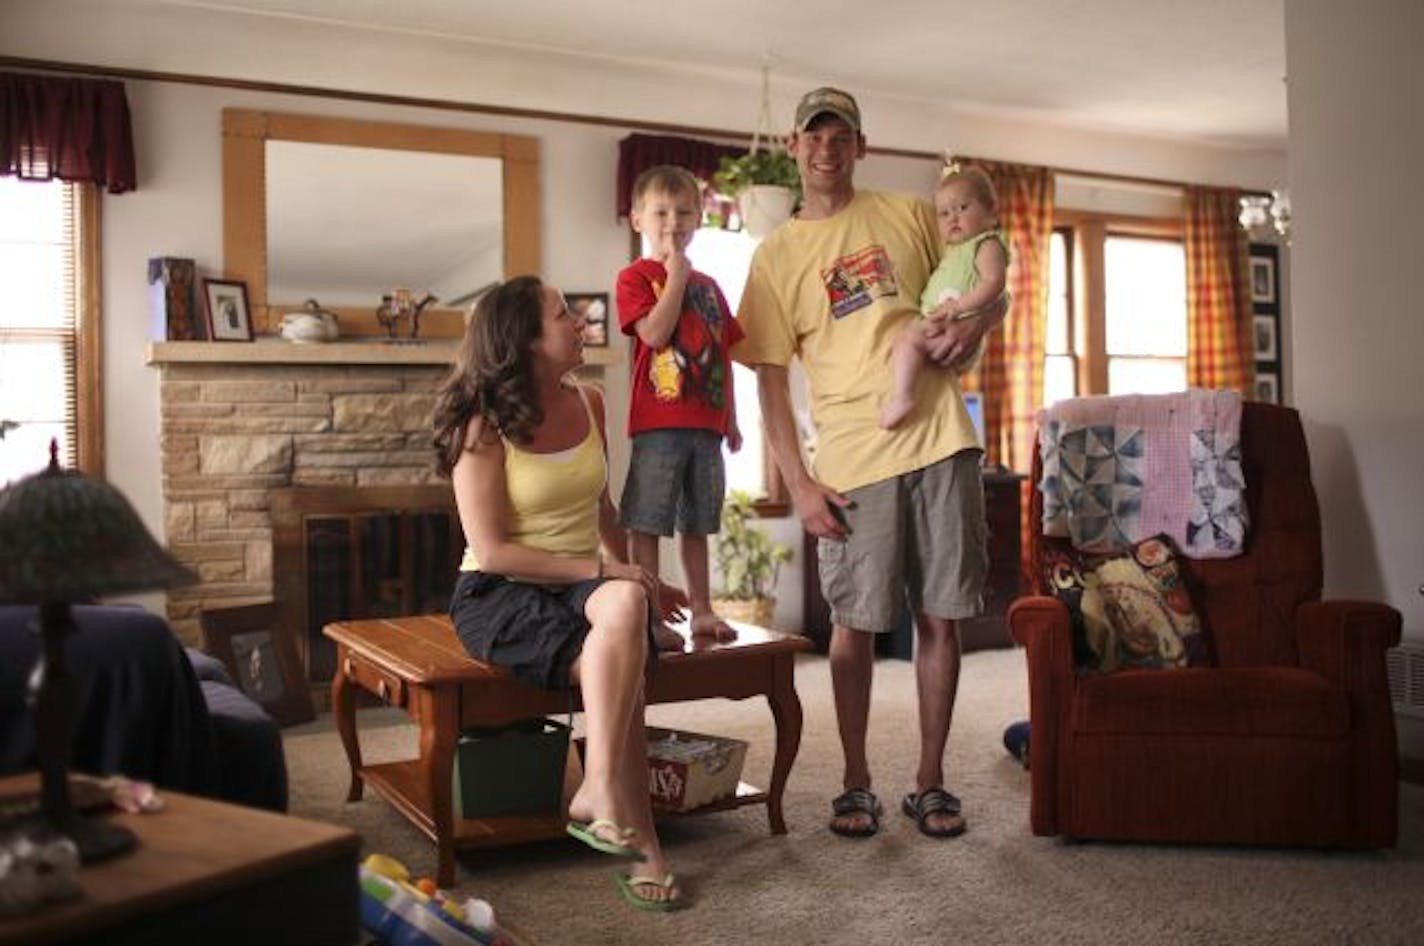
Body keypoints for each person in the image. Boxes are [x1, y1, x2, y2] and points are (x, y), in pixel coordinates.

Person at [734, 87, 1005, 840]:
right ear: (794, 146)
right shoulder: (777, 254)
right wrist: (797, 481)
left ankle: (931, 781)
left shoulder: (912, 216)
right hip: (852, 455)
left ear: (861, 145)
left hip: (942, 438)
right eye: (814, 136)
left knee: (942, 615)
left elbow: (979, 283)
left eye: (840, 135)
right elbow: (767, 380)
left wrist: (974, 335)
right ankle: (856, 782)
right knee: (853, 621)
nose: (827, 148)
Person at [432, 276, 691, 912]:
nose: (580, 322)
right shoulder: (481, 423)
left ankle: (599, 786)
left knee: (627, 613)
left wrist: (635, 577)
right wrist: (601, 575)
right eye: (562, 316)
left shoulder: (592, 401)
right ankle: (642, 842)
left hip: (579, 580)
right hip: (501, 590)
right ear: (524, 341)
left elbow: (602, 508)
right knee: (621, 652)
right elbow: (491, 550)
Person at [617, 164, 744, 641]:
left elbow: (722, 353)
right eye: (661, 212)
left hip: (706, 426)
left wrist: (728, 415)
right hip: (658, 424)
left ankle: (704, 611)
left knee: (698, 523)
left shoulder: (711, 288)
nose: (674, 221)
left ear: (700, 218)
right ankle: (647, 617)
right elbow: (654, 331)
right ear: (637, 220)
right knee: (647, 521)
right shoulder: (635, 277)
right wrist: (676, 277)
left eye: (685, 211)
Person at [880, 164, 1009, 429]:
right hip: (946, 323)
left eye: (963, 208)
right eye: (944, 213)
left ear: (991, 212)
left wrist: (958, 307)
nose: (953, 218)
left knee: (906, 341)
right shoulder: (954, 250)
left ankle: (902, 397)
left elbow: (994, 283)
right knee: (905, 344)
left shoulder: (987, 244)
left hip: (955, 324)